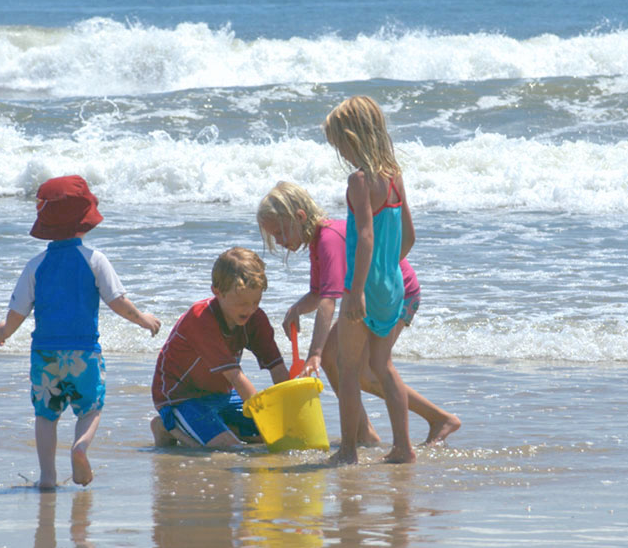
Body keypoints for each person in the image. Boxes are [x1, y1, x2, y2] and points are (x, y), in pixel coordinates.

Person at [257, 181, 460, 446]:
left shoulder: (329, 239)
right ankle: (364, 432)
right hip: (368, 297)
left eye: (279, 233)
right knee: (334, 359)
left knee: (366, 370)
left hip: (397, 294)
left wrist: (314, 353)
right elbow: (318, 293)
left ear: (300, 217)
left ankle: (439, 419)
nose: (279, 242)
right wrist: (297, 309)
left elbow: (328, 302)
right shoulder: (318, 241)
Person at [0, 175, 161, 490]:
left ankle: (47, 477)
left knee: (46, 415)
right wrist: (144, 320)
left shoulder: (36, 265)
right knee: (91, 408)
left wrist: (3, 331)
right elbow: (118, 302)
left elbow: (17, 314)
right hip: (84, 353)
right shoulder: (94, 260)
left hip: (45, 355)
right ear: (85, 222)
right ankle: (80, 446)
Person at [322, 96, 422, 465]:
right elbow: (409, 236)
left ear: (352, 138)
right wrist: (386, 268)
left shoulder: (359, 180)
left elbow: (364, 236)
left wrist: (356, 290)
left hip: (362, 286)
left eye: (340, 145)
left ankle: (348, 451)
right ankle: (403, 447)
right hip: (392, 284)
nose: (341, 153)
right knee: (383, 365)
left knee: (348, 369)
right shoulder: (395, 176)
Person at [151, 247, 289, 449]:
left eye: (256, 302)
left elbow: (277, 368)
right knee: (228, 449)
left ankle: (222, 427)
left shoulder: (255, 318)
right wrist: (265, 419)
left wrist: (289, 417)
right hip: (180, 396)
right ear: (217, 291)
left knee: (275, 434)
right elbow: (235, 376)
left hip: (222, 395)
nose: (250, 309)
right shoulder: (201, 319)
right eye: (242, 303)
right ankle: (165, 425)